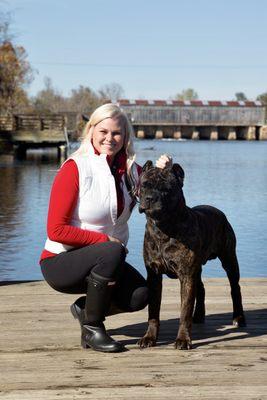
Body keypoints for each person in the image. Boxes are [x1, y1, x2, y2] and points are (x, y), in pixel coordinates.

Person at [40, 103, 172, 353]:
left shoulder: (132, 172)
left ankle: (85, 308)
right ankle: (93, 328)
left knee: (141, 294)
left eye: (116, 133)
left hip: (106, 258)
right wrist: (104, 241)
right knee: (112, 251)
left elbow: (157, 195)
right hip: (60, 262)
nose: (109, 138)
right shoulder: (75, 168)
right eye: (103, 131)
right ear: (91, 131)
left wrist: (163, 171)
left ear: (125, 137)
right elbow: (55, 230)